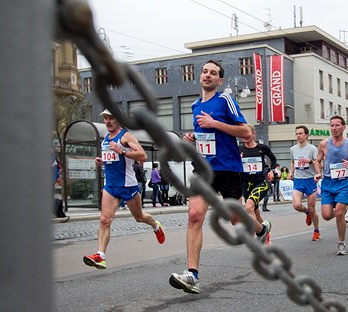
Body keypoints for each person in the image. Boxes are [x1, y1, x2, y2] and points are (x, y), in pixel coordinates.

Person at [170, 60, 264, 295]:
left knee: (236, 221)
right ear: (200, 76)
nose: (208, 75)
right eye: (205, 72)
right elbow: (205, 135)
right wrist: (192, 139)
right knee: (194, 216)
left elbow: (245, 131)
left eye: (213, 73)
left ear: (220, 80)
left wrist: (215, 124)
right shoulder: (194, 105)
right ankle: (193, 275)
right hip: (203, 169)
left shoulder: (225, 100)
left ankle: (261, 229)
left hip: (228, 168)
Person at [83, 109, 165, 270]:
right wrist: (102, 161)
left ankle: (156, 225)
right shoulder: (105, 139)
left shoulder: (126, 136)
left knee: (140, 217)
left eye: (111, 118)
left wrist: (122, 150)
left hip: (128, 185)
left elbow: (142, 156)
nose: (107, 121)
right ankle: (100, 256)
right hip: (111, 186)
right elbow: (112, 159)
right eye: (105, 118)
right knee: (105, 220)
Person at [313, 116, 348, 255]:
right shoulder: (324, 144)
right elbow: (317, 161)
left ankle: (341, 243)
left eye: (337, 125)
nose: (334, 128)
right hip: (328, 183)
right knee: (326, 215)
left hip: (344, 183)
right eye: (332, 125)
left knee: (340, 212)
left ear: (343, 127)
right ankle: (340, 216)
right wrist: (318, 173)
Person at [239, 124, 277, 243]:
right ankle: (265, 232)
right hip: (245, 184)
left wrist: (271, 170)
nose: (244, 136)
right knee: (254, 211)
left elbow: (273, 159)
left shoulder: (262, 148)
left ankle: (258, 235)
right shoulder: (239, 149)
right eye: (242, 134)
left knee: (248, 207)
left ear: (254, 134)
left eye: (247, 133)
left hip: (260, 182)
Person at [289, 125, 321, 241]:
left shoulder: (312, 149)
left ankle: (316, 230)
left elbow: (318, 163)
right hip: (298, 180)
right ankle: (306, 212)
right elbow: (293, 162)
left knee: (313, 209)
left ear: (306, 135)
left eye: (301, 133)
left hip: (310, 180)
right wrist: (290, 172)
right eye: (297, 133)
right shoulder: (293, 149)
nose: (298, 135)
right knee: (296, 205)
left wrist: (312, 163)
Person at [52, 139, 68, 220]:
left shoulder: (54, 156)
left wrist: (58, 176)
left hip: (54, 180)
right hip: (52, 179)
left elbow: (58, 167)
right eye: (56, 146)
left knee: (56, 196)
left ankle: (58, 212)